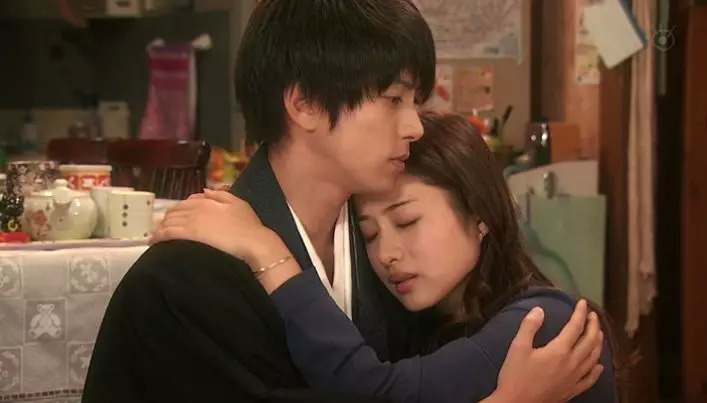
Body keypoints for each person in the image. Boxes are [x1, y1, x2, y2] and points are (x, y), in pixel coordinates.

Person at [83, 0, 604, 401]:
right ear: (306, 103)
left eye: (415, 103)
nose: (414, 126)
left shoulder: (394, 268)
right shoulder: (186, 282)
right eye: (394, 99)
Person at [153, 111, 619, 403]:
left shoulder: (546, 321)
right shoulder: (426, 330)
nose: (387, 255)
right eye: (369, 234)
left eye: (408, 221)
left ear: (479, 213)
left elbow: (374, 392)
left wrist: (266, 250)